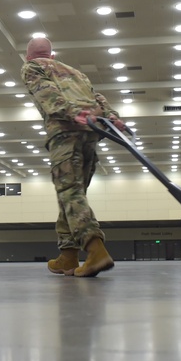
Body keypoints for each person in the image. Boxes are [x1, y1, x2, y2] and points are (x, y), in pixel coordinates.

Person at [21, 37, 128, 277]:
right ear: (52, 55)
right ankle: (68, 255)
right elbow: (97, 97)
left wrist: (71, 113)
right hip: (91, 134)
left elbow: (46, 94)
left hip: (65, 131)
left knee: (69, 191)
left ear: (29, 57)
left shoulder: (32, 67)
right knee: (72, 194)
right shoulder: (76, 73)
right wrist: (112, 117)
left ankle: (95, 250)